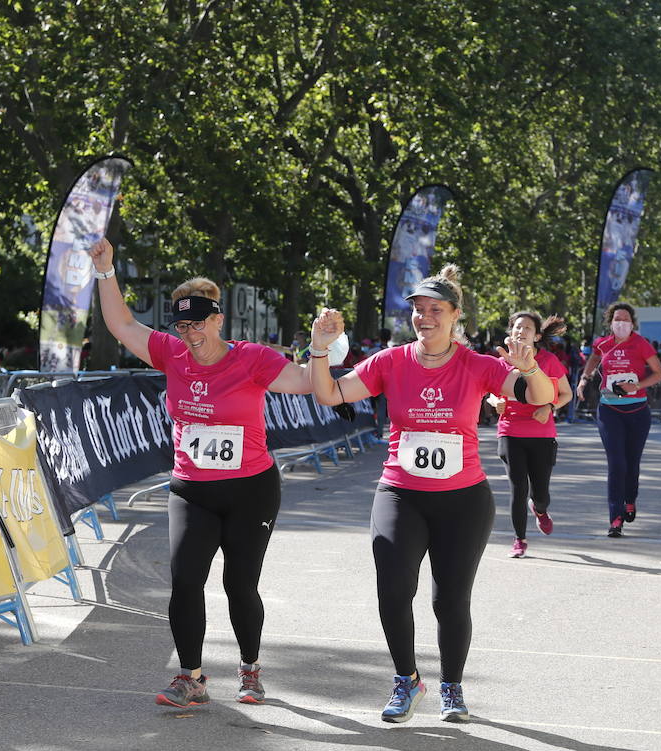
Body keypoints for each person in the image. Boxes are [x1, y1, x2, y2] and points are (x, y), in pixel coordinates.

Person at [307, 265, 554, 724]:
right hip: (400, 494)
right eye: (419, 310)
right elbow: (330, 395)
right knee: (393, 592)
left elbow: (537, 396)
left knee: (449, 601)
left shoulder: (478, 364)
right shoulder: (390, 361)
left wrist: (529, 367)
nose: (425, 318)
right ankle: (406, 680)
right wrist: (319, 350)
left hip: (463, 501)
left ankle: (453, 688)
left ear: (455, 316)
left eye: (435, 310)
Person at [88, 237, 313, 708]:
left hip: (251, 488)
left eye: (199, 324)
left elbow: (306, 382)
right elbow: (122, 323)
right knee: (186, 579)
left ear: (218, 320)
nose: (191, 334)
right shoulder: (171, 354)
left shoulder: (252, 358)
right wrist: (106, 271)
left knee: (239, 584)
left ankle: (250, 669)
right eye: (183, 325)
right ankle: (190, 677)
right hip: (192, 488)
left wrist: (323, 348)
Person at [579, 303, 661, 537]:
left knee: (631, 462)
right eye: (617, 319)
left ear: (632, 323)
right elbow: (594, 359)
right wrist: (584, 379)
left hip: (637, 411)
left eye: (626, 319)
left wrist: (636, 385)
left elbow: (659, 373)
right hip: (609, 411)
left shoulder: (641, 344)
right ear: (610, 322)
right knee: (616, 464)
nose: (621, 323)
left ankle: (630, 499)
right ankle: (615, 519)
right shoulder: (602, 344)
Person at [491, 311, 572, 558]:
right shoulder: (501, 360)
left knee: (540, 493)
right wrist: (495, 403)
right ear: (510, 332)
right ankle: (519, 539)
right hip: (510, 431)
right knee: (518, 488)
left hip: (541, 434)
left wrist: (548, 407)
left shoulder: (549, 361)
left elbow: (566, 394)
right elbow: (489, 391)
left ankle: (540, 509)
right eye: (516, 327)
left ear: (536, 336)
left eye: (527, 328)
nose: (520, 331)